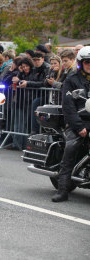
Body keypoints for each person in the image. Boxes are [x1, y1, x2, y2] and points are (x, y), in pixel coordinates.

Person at [52, 46, 90, 202]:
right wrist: (78, 127)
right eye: (88, 62)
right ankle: (62, 190)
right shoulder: (72, 79)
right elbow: (68, 106)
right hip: (79, 122)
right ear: (81, 63)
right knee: (71, 148)